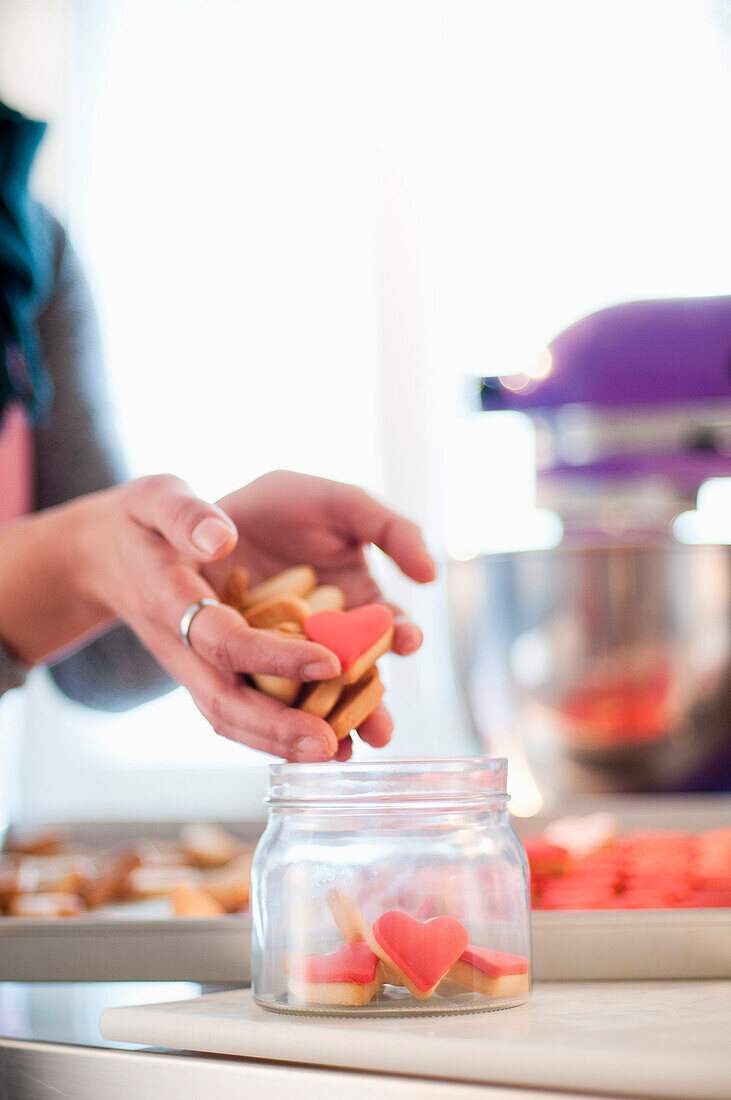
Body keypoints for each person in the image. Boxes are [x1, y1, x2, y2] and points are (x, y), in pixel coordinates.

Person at [0, 101, 435, 762]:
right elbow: (77, 560)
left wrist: (197, 571)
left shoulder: (26, 238)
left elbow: (99, 663)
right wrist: (82, 553)